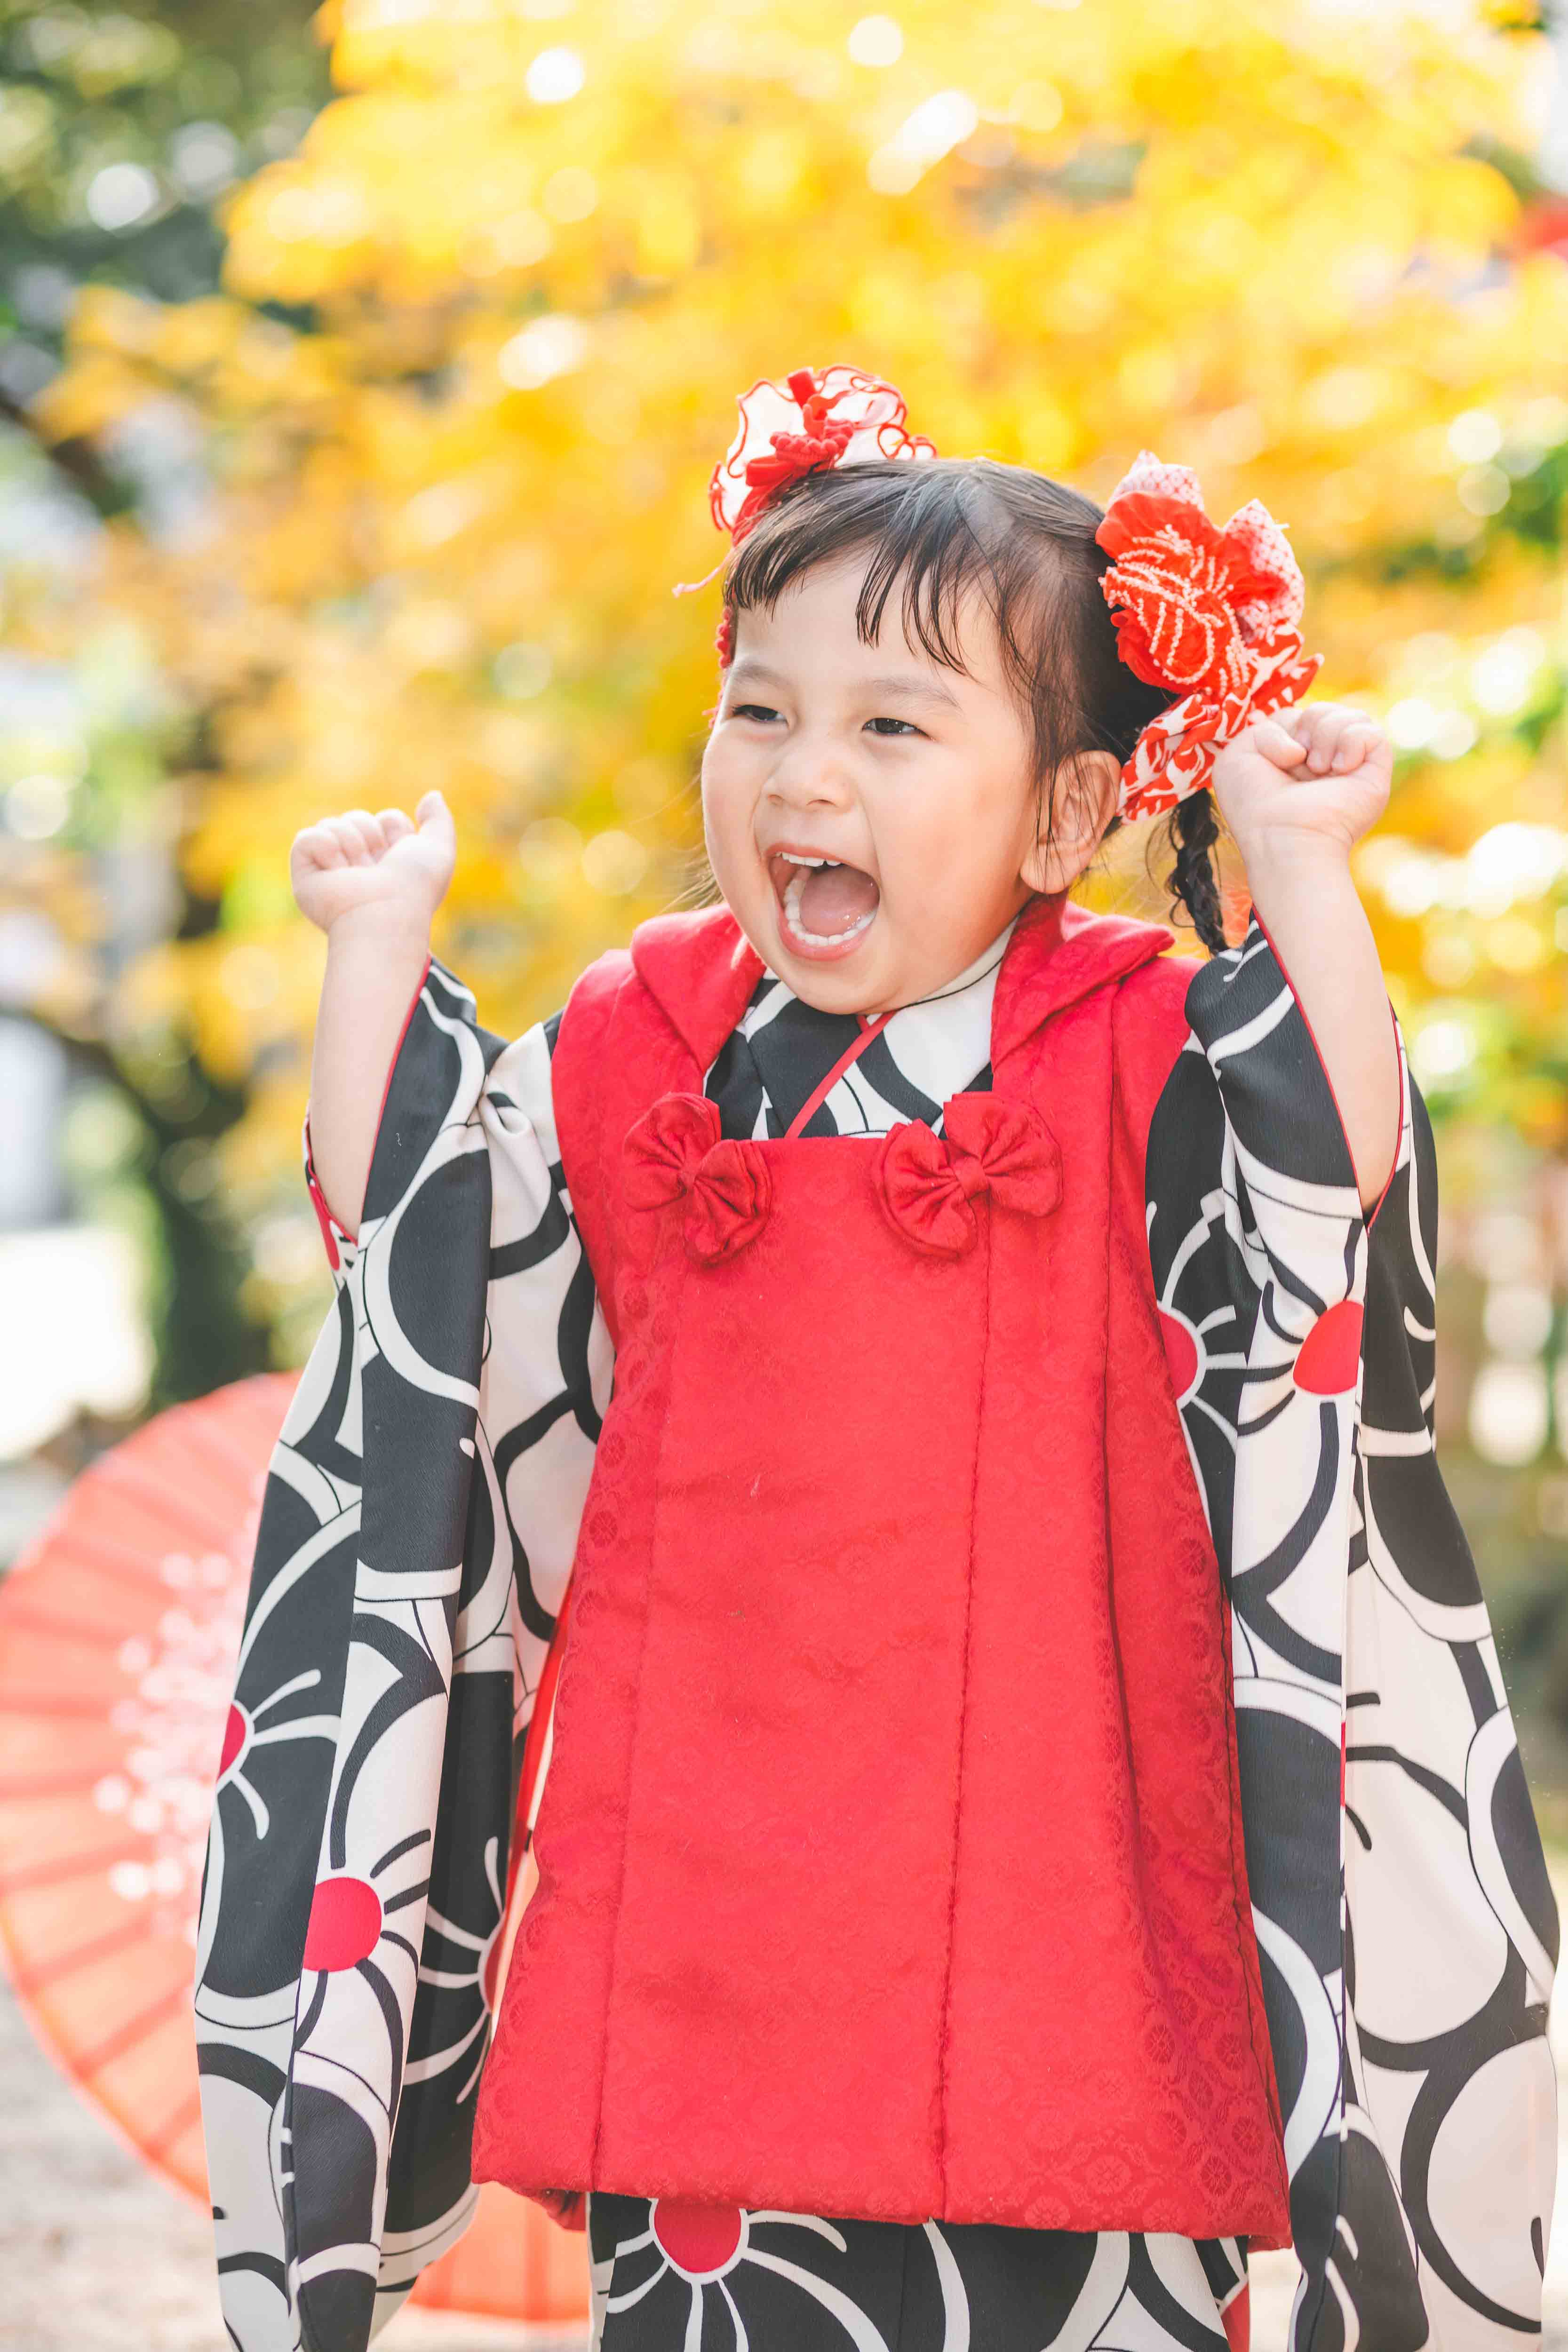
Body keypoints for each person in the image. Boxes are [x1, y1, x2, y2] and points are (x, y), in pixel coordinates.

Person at [196, 367, 1558, 2352]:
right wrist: (372, 955)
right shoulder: (648, 1034)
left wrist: (1298, 863)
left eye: (891, 726)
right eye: (761, 711)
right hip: (713, 1860)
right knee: (725, 2281)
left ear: (1071, 808)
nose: (802, 776)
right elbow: (414, 1253)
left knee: (1078, 2248)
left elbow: (1327, 1171)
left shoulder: (1135, 1035)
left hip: (1064, 1855)